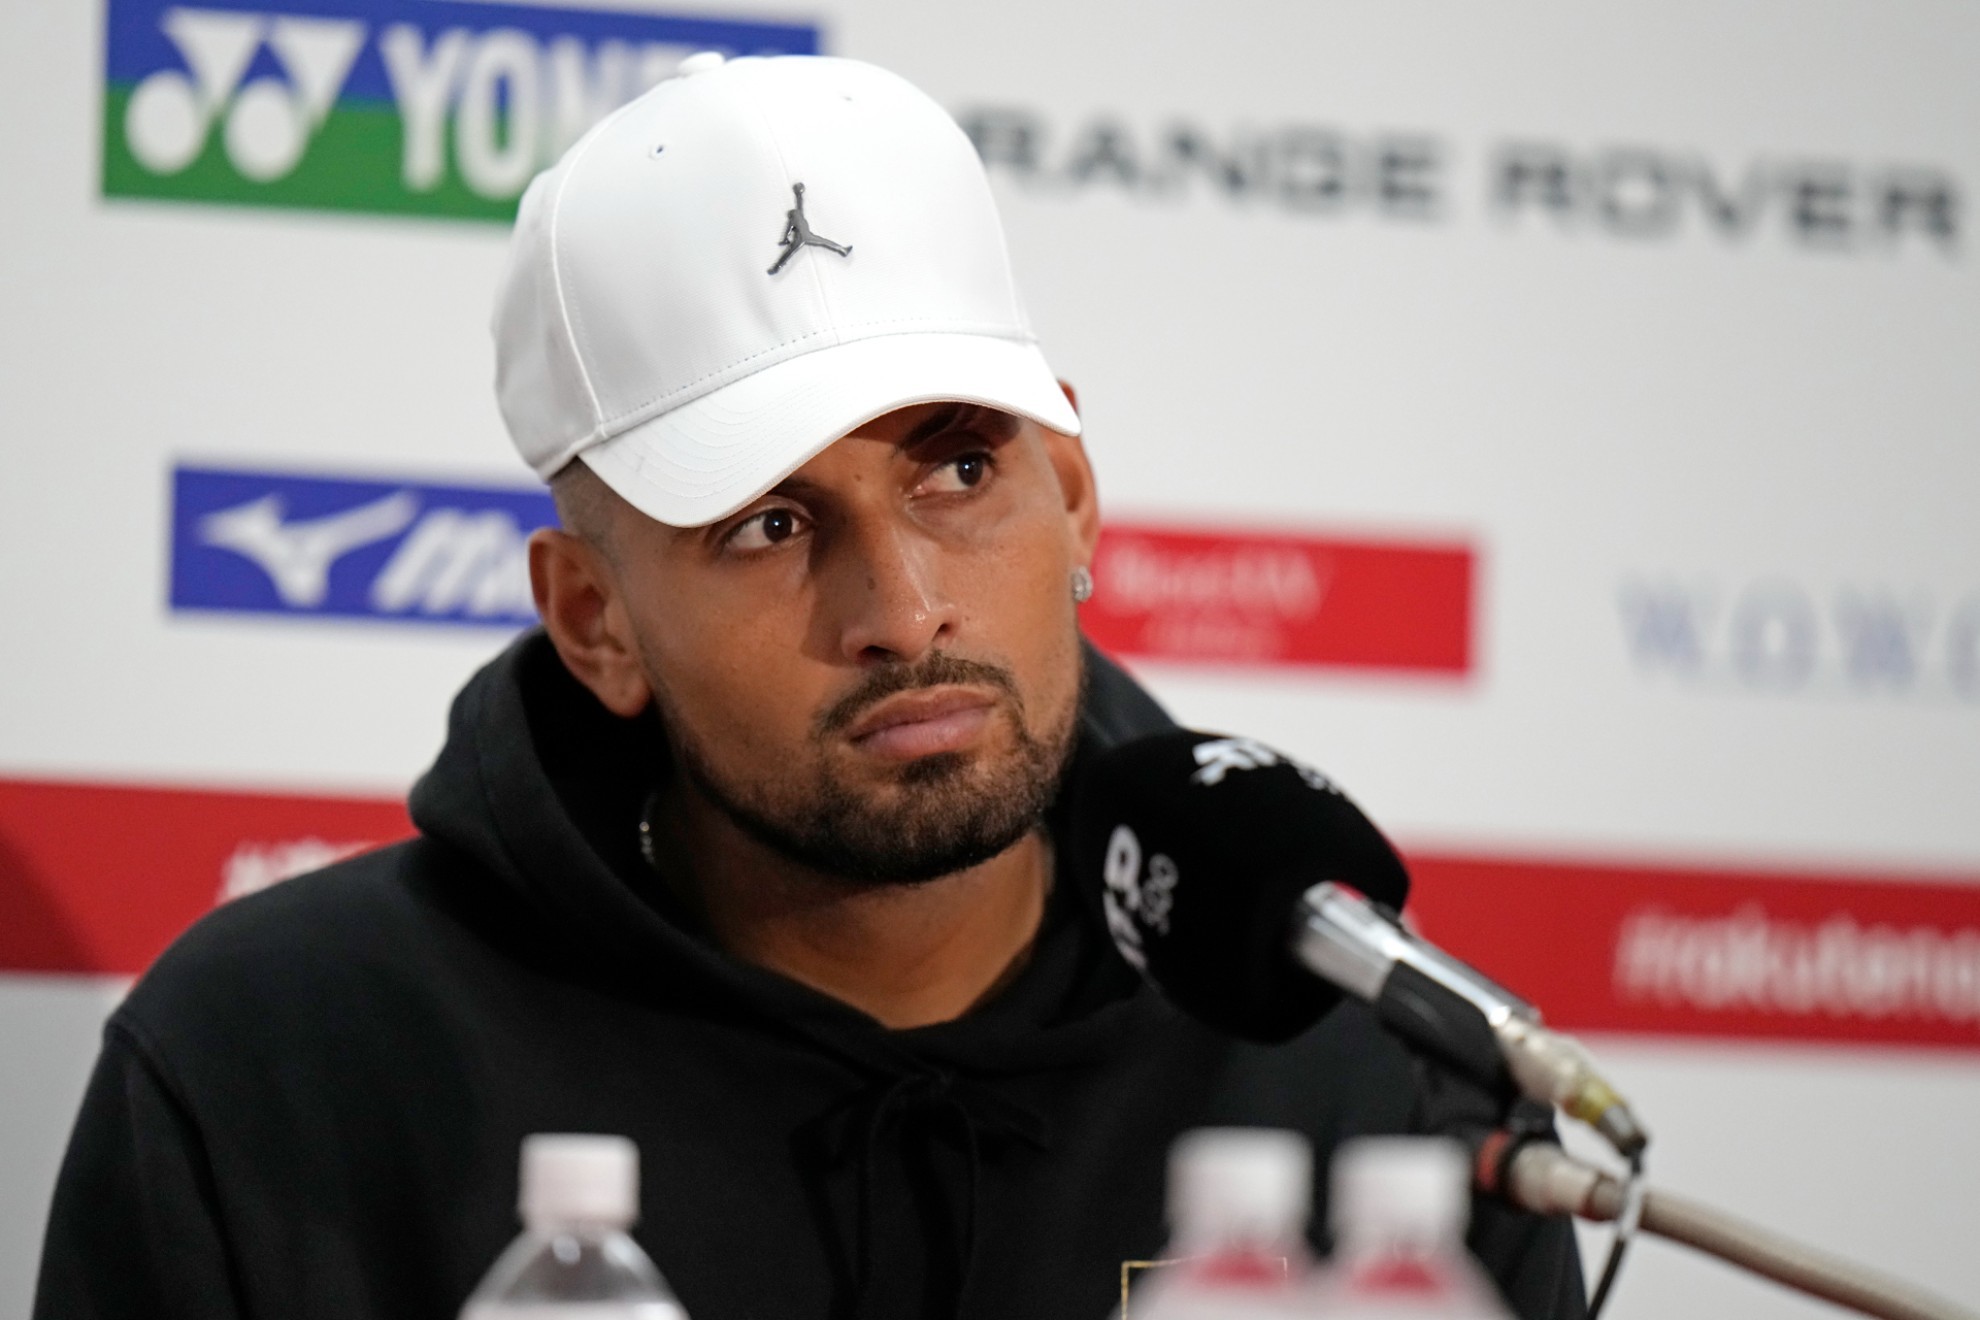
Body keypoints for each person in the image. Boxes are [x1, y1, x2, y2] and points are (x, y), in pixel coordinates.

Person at [35, 54, 1584, 1320]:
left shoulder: (1359, 1053)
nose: (903, 614)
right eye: (768, 522)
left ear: (1079, 502)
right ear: (595, 623)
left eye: (961, 468)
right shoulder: (280, 1065)